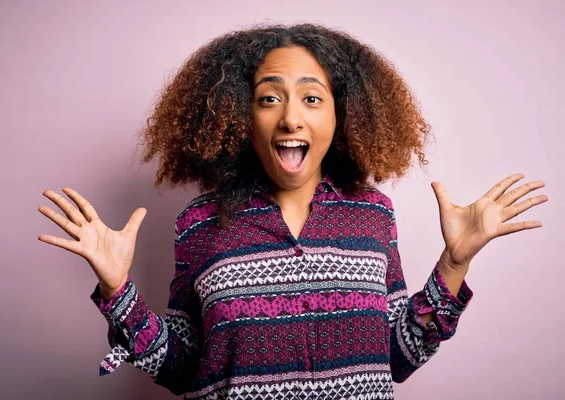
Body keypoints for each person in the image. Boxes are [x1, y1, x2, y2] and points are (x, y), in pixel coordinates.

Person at [37, 23, 548, 400]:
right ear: (241, 116)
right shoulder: (198, 224)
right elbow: (183, 366)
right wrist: (116, 290)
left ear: (341, 114)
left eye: (311, 97)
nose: (290, 117)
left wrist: (454, 266)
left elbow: (395, 357)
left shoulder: (373, 215)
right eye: (268, 99)